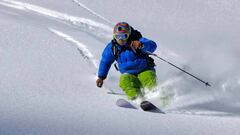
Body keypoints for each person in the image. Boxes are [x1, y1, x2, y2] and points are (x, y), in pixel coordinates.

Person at [96, 22, 157, 101]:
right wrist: (101, 77)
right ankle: (136, 99)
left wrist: (141, 44)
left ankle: (155, 97)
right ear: (114, 36)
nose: (121, 40)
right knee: (125, 81)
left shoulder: (137, 40)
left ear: (128, 35)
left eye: (124, 36)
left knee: (148, 78)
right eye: (118, 36)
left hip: (144, 69)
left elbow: (153, 45)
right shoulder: (113, 47)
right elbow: (105, 62)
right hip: (128, 73)